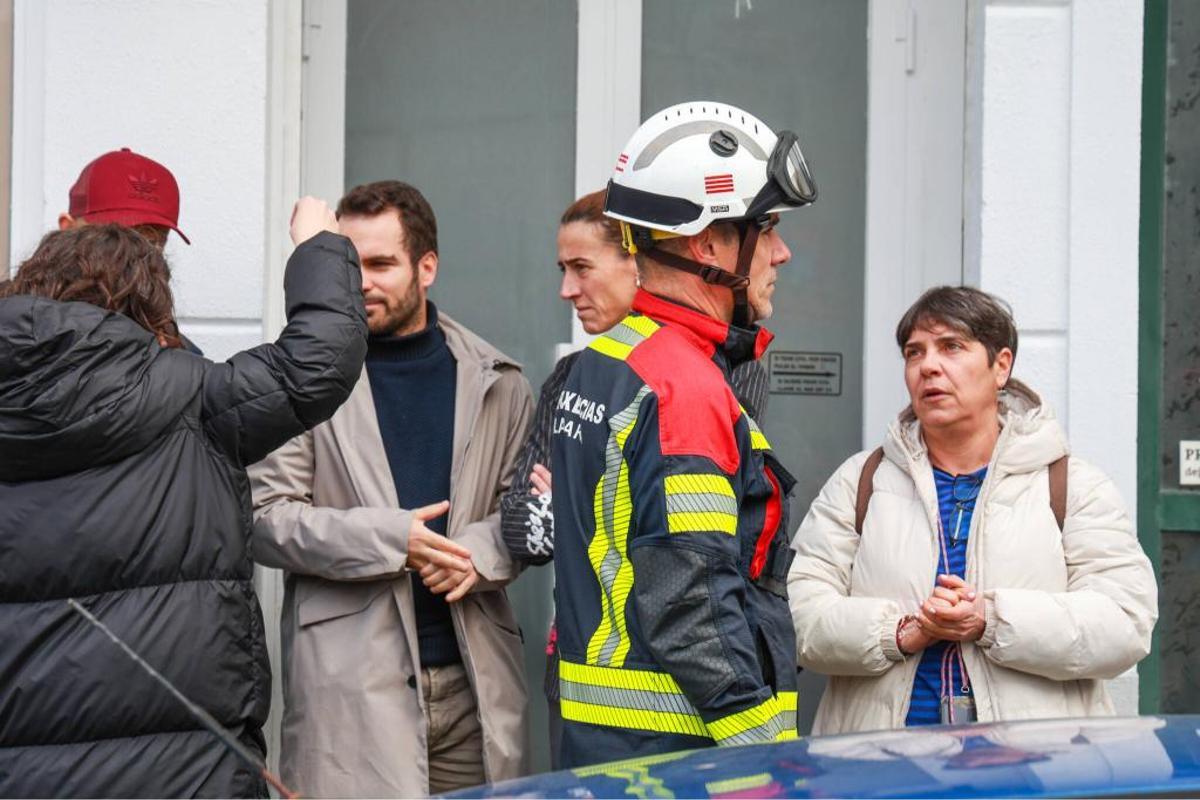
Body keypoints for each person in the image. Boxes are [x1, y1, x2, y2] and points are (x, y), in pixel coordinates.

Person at [0, 199, 368, 796]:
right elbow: (318, 360)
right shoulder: (193, 397)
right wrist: (317, 245)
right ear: (151, 306)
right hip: (184, 776)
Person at [550, 101, 818, 767]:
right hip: (682, 757)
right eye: (768, 228)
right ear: (707, 245)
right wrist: (765, 752)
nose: (781, 252)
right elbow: (692, 600)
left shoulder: (603, 362)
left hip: (604, 747)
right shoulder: (684, 387)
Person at [249, 180, 535, 797]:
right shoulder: (299, 379)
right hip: (353, 686)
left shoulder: (499, 379)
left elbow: (525, 512)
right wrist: (390, 539)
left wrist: (477, 556)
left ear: (426, 266)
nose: (363, 283)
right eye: (350, 266)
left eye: (381, 264)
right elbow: (265, 518)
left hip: (474, 680)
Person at [788, 286, 1158, 734]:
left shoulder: (1069, 485)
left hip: (1030, 769)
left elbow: (1124, 623)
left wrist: (990, 619)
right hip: (880, 765)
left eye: (952, 347)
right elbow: (799, 617)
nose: (928, 366)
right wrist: (901, 632)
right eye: (914, 352)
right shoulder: (860, 480)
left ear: (1001, 366)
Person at [499, 188, 772, 768]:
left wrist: (579, 502)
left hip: (635, 710)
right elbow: (524, 527)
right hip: (650, 719)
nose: (567, 291)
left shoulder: (705, 370)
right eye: (562, 270)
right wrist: (763, 742)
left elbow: (684, 546)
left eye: (581, 268)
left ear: (636, 264)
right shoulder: (612, 374)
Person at [59, 147, 203, 353]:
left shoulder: (176, 352)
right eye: (113, 237)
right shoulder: (14, 325)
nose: (131, 256)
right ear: (67, 229)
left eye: (152, 243)